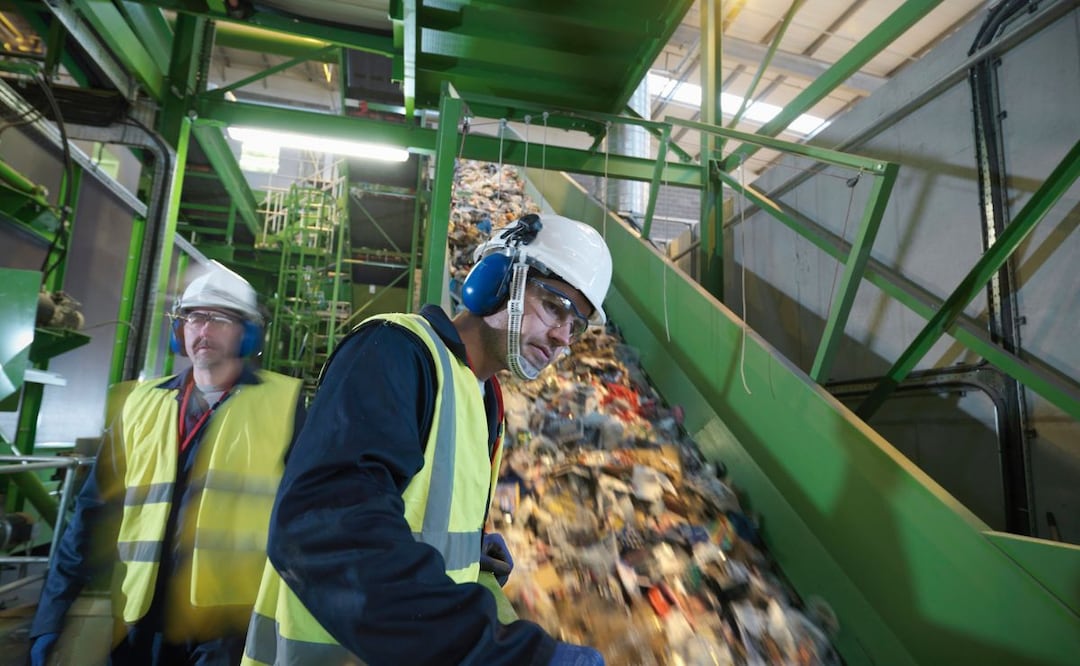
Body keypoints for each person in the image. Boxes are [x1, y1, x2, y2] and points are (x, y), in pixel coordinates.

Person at [241, 213, 613, 665]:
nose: (561, 338)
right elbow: (328, 530)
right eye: (554, 307)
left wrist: (466, 555)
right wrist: (507, 657)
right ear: (496, 281)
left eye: (577, 326)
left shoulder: (484, 397)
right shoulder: (395, 354)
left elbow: (410, 508)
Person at [28, 261, 306, 666]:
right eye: (192, 317)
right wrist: (51, 613)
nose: (202, 330)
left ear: (247, 333)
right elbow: (91, 511)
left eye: (218, 318)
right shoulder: (141, 404)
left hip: (228, 627)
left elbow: (305, 521)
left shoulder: (285, 405)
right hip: (139, 619)